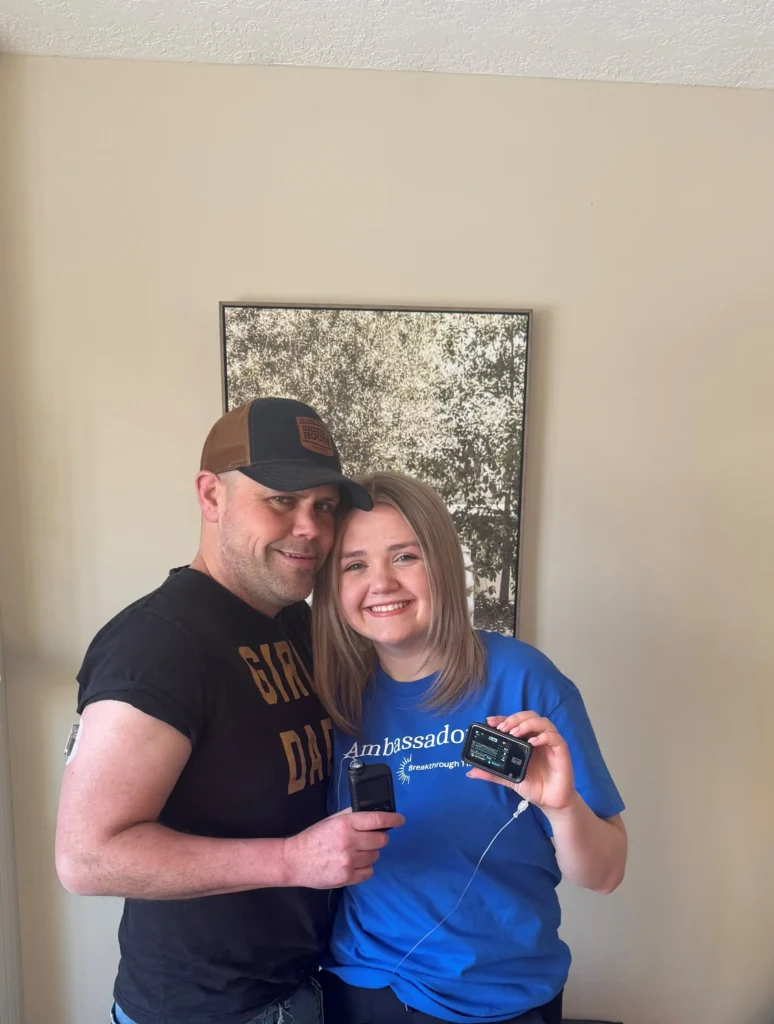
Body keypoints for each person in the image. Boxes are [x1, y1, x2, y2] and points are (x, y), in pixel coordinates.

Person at [55, 397, 404, 1024]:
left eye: (324, 506)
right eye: (281, 500)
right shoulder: (157, 643)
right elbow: (86, 857)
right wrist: (292, 861)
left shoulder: (297, 624)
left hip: (307, 988)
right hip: (203, 1010)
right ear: (211, 497)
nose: (311, 529)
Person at [311, 471, 627, 1024]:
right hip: (367, 989)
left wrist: (562, 808)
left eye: (405, 556)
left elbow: (605, 874)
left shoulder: (524, 679)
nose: (380, 582)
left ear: (443, 566)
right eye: (354, 564)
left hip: (507, 997)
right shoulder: (334, 697)